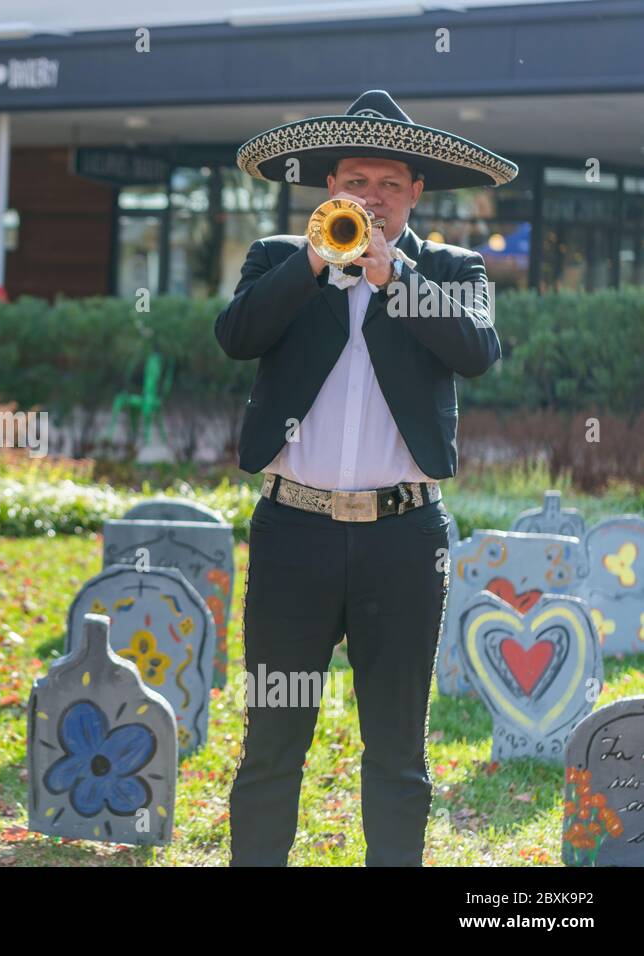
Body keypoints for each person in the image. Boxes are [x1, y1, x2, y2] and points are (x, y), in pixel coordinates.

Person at [217, 90, 516, 866]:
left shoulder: (453, 268)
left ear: (417, 192)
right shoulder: (279, 259)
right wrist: (318, 260)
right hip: (294, 535)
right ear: (329, 187)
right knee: (272, 742)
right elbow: (238, 335)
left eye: (388, 183)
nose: (371, 197)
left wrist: (393, 276)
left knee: (396, 750)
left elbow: (478, 351)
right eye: (355, 180)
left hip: (404, 540)